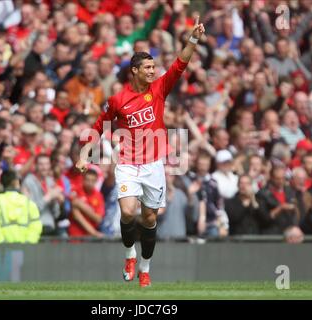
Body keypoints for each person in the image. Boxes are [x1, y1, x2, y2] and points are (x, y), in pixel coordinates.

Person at [75, 16, 206, 287]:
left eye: (154, 66)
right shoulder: (117, 99)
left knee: (148, 218)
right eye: (147, 67)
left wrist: (192, 38)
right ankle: (129, 256)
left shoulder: (159, 89)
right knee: (127, 212)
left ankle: (145, 268)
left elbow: (180, 64)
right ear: (134, 70)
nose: (152, 71)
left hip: (153, 164)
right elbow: (100, 126)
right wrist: (84, 153)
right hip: (127, 163)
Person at [0, 170, 42, 244]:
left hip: (3, 251)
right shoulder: (28, 202)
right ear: (16, 182)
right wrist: (29, 244)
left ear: (1, 183)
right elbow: (36, 226)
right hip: (26, 250)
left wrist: (1, 245)